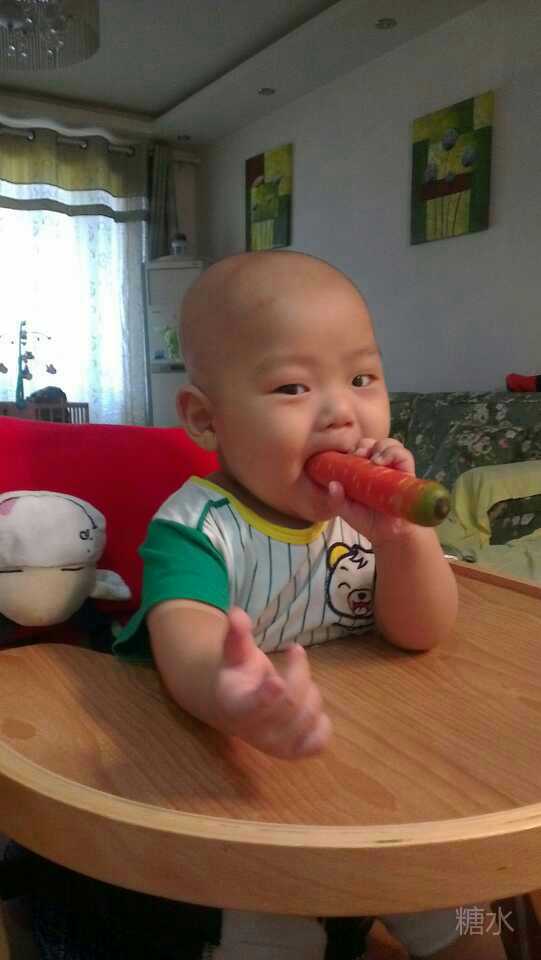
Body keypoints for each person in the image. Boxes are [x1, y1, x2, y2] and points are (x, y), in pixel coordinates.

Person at [114, 251, 503, 960]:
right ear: (206, 418)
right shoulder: (196, 528)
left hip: (382, 775)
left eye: (362, 378)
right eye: (293, 387)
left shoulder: (370, 512)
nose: (341, 412)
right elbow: (188, 640)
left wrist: (402, 539)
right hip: (244, 795)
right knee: (272, 940)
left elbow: (420, 633)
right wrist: (228, 693)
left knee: (474, 922)